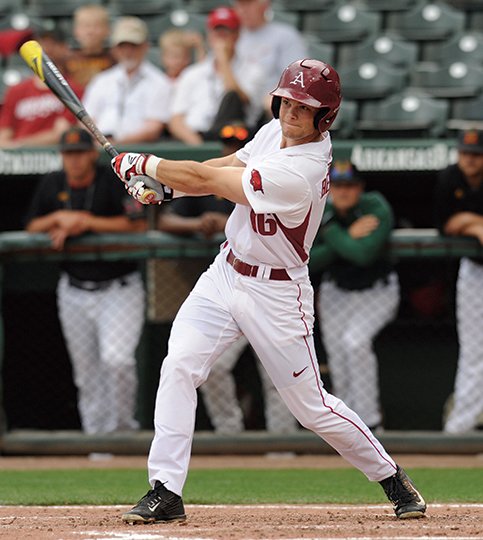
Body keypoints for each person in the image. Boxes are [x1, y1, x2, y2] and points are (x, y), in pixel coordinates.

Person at [111, 58, 427, 522]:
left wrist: (145, 162)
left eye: (305, 105)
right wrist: (166, 189)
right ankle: (165, 490)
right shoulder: (273, 131)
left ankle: (391, 477)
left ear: (326, 116)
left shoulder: (301, 169)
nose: (292, 111)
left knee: (311, 407)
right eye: (287, 101)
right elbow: (218, 166)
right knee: (179, 364)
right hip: (226, 273)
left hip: (277, 293)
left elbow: (209, 181)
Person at [158, 123, 298, 433]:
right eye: (225, 143)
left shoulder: (271, 172)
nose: (229, 149)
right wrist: (198, 223)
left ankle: (282, 442)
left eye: (236, 143)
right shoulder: (210, 178)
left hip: (273, 289)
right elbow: (166, 219)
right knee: (212, 368)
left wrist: (223, 222)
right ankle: (229, 435)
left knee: (279, 375)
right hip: (225, 287)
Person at [24, 126, 147, 434]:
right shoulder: (53, 183)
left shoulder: (112, 180)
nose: (74, 160)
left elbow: (139, 224)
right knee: (87, 374)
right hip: (74, 291)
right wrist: (57, 219)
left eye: (79, 153)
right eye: (69, 154)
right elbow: (31, 226)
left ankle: (122, 431)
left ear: (91, 154)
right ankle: (95, 439)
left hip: (119, 288)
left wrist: (85, 222)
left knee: (117, 361)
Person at [310, 160, 400, 431]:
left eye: (350, 186)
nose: (344, 192)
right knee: (337, 355)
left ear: (360, 187)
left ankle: (371, 422)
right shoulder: (320, 209)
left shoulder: (374, 205)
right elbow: (306, 260)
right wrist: (344, 235)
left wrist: (330, 234)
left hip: (377, 290)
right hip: (335, 291)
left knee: (355, 343)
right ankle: (348, 424)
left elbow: (363, 254)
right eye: (338, 186)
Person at [434, 129, 483, 434]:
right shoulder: (450, 178)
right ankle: (461, 427)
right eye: (465, 153)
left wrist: (470, 221)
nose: (469, 160)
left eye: (476, 154)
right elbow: (445, 225)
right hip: (474, 271)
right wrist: (474, 224)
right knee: (474, 349)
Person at [168, 6, 265, 145]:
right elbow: (176, 119)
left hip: (233, 140)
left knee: (232, 98)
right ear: (209, 35)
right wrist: (198, 145)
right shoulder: (193, 73)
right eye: (217, 31)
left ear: (237, 34)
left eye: (226, 31)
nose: (220, 37)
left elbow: (241, 101)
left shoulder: (253, 70)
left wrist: (224, 61)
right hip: (196, 137)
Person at [82, 16, 171, 144]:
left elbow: (153, 128)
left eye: (133, 45)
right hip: (99, 149)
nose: (128, 51)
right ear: (114, 49)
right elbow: (87, 120)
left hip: (139, 153)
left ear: (145, 46)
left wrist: (117, 143)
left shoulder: (159, 82)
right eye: (122, 46)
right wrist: (102, 143)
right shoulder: (101, 80)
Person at [0, 28, 82, 147]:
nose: (47, 49)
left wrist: (21, 145)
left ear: (65, 48)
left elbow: (61, 133)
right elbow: (4, 134)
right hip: (17, 160)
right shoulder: (16, 91)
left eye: (53, 43)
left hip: (54, 155)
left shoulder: (73, 90)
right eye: (42, 43)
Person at [233, 0, 308, 116]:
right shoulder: (232, 36)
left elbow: (298, 75)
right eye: (240, 5)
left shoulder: (284, 35)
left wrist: (276, 96)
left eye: (248, 4)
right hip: (234, 104)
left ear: (264, 5)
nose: (243, 10)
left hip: (266, 109)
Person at [66, 3, 115, 88]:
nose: (90, 32)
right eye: (85, 26)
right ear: (75, 31)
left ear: (107, 30)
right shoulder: (66, 60)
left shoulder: (114, 59)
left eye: (96, 26)